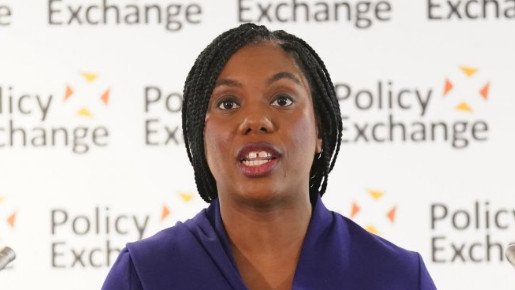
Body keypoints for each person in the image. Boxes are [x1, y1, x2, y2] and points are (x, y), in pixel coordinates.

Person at [102, 23, 437, 290]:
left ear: (320, 129)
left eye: (282, 100)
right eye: (228, 104)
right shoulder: (145, 274)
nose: (256, 121)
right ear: (198, 134)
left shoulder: (398, 276)